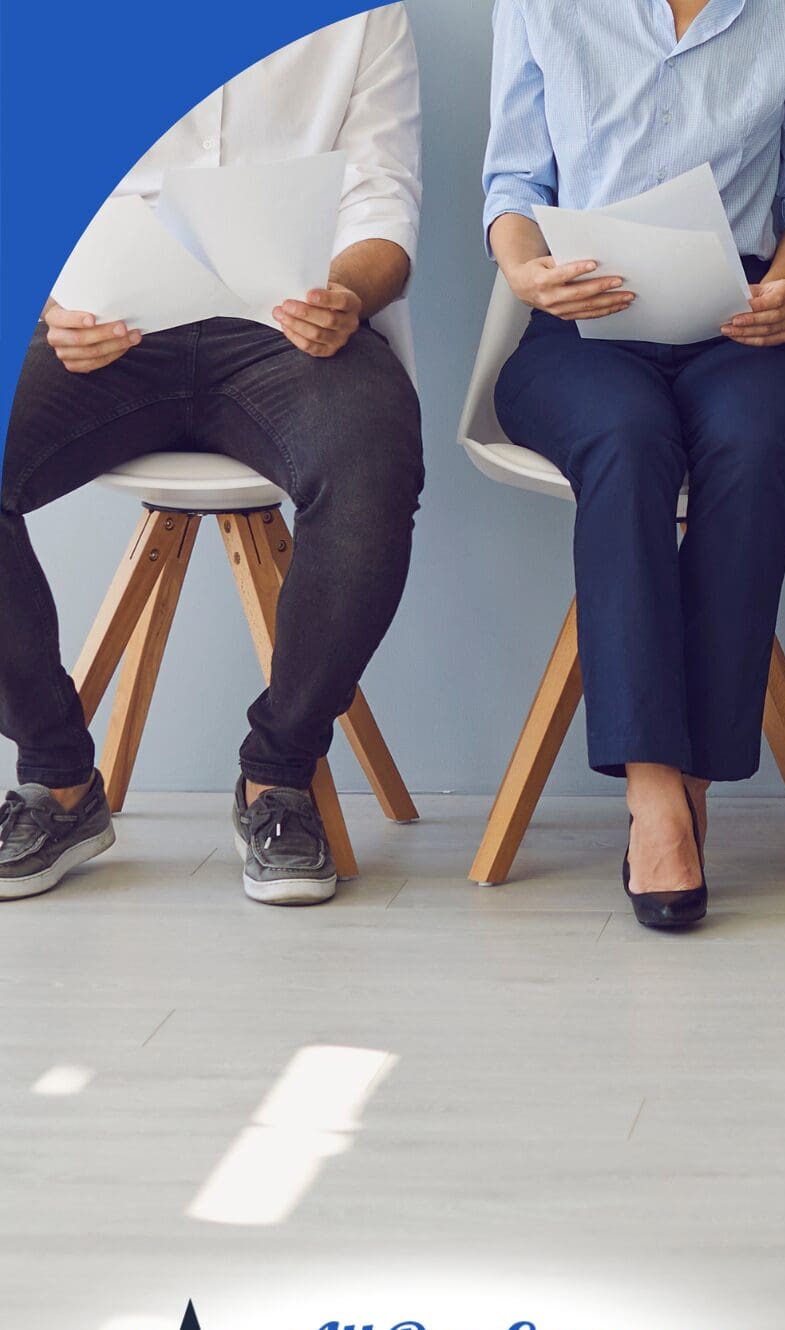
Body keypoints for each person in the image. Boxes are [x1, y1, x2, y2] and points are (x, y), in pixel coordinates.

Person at [0, 5, 422, 907]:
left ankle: (278, 777)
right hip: (109, 328)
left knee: (374, 461)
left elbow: (385, 197)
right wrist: (47, 308)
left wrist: (347, 294)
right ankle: (60, 778)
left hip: (287, 328)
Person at [483, 0, 785, 930]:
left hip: (741, 317)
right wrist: (528, 273)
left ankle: (696, 780)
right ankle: (656, 795)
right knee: (628, 438)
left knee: (754, 437)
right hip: (581, 325)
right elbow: (512, 183)